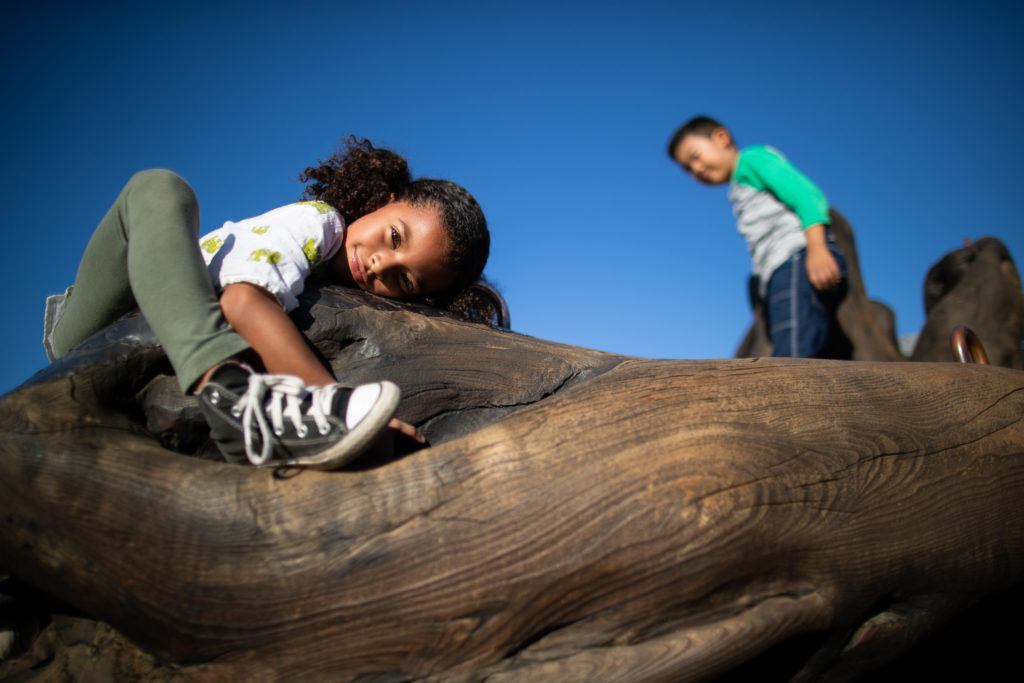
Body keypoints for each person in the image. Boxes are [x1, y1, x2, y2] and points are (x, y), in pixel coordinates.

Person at [47, 137, 490, 469]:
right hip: (103, 316)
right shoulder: (320, 223)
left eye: (403, 279)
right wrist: (336, 404)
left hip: (137, 369)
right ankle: (226, 388)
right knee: (158, 187)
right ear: (386, 201)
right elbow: (242, 300)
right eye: (394, 237)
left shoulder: (344, 295)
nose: (379, 263)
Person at [666, 116, 847, 358]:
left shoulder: (752, 160)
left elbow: (805, 194)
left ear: (722, 138)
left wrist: (817, 248)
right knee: (799, 336)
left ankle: (789, 393)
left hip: (796, 259)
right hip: (780, 269)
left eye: (695, 157)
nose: (696, 170)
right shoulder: (738, 186)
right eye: (687, 169)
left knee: (790, 348)